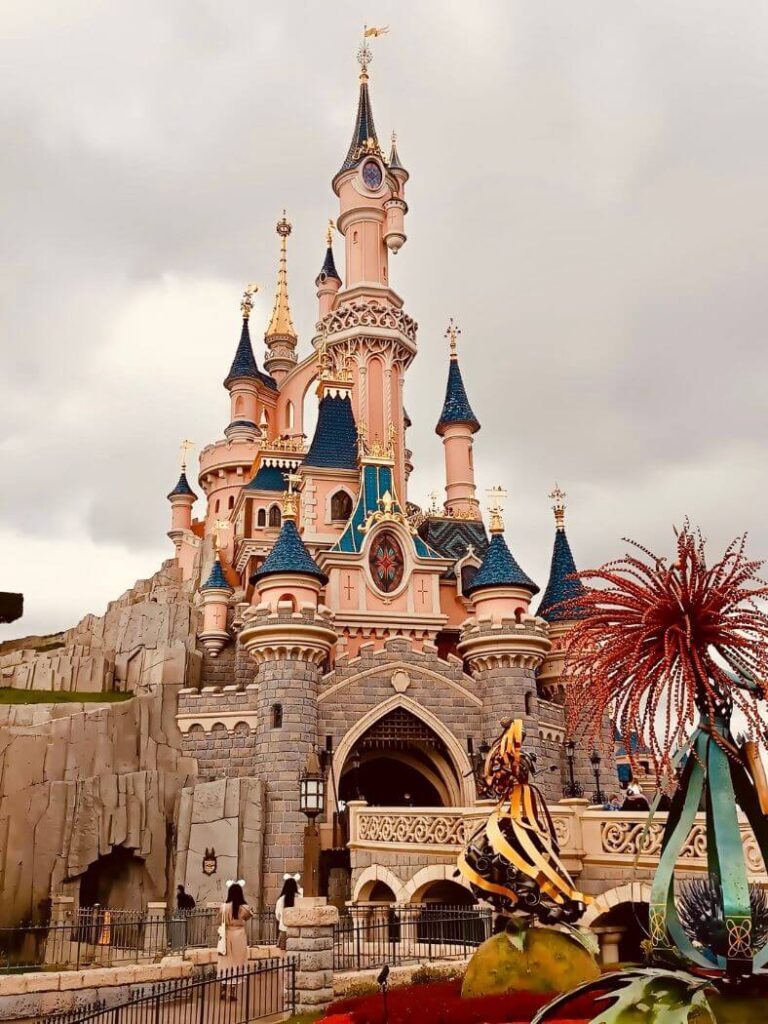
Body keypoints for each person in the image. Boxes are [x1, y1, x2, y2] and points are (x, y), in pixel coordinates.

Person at [218, 882, 253, 1000]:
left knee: (225, 962)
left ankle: (223, 989)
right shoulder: (243, 908)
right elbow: (249, 916)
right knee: (238, 962)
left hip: (227, 934)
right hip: (239, 935)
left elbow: (220, 918)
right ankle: (232, 991)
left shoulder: (223, 907)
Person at [275, 876, 299, 951]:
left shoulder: (281, 900)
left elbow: (278, 915)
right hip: (297, 929)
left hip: (284, 928)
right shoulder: (299, 898)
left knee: (284, 953)